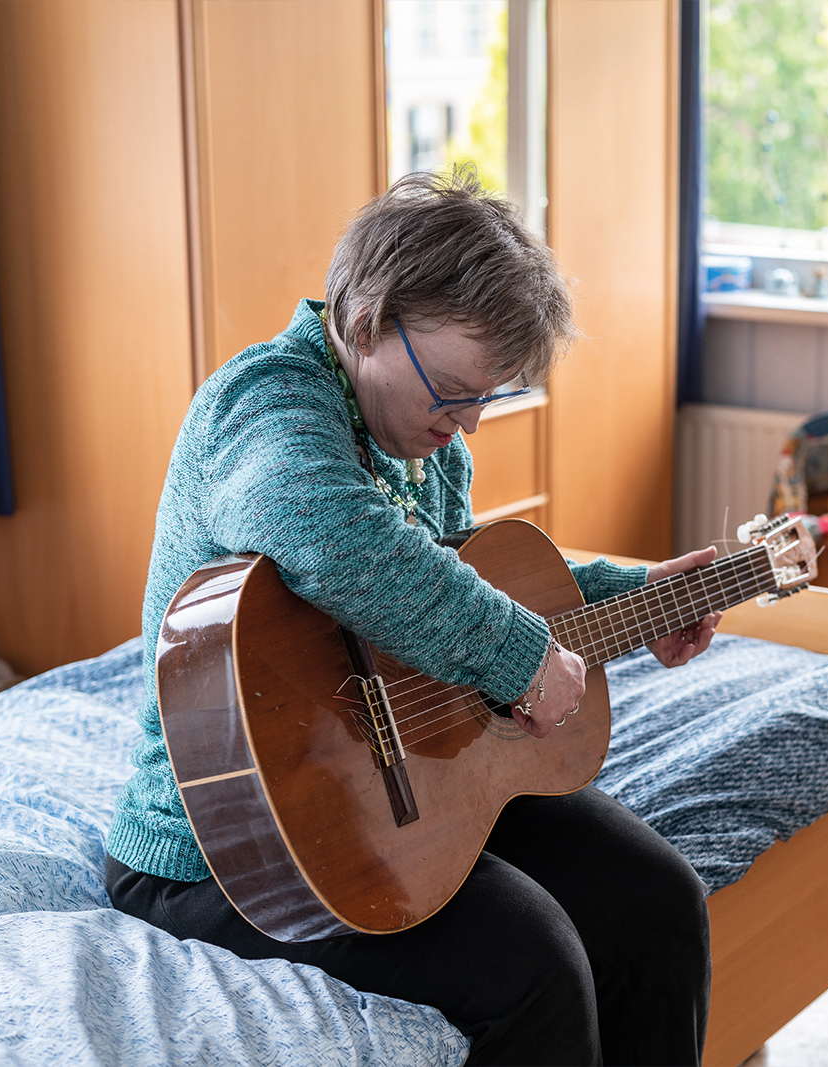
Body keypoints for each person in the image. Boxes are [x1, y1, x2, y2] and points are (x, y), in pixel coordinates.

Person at [104, 169, 721, 1066]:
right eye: (455, 390)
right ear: (365, 322)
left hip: (396, 778)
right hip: (223, 845)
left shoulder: (424, 446)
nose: (468, 423)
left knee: (659, 901)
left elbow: (461, 578)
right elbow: (334, 539)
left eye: (488, 396)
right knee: (536, 962)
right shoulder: (267, 403)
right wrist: (519, 659)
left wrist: (634, 600)